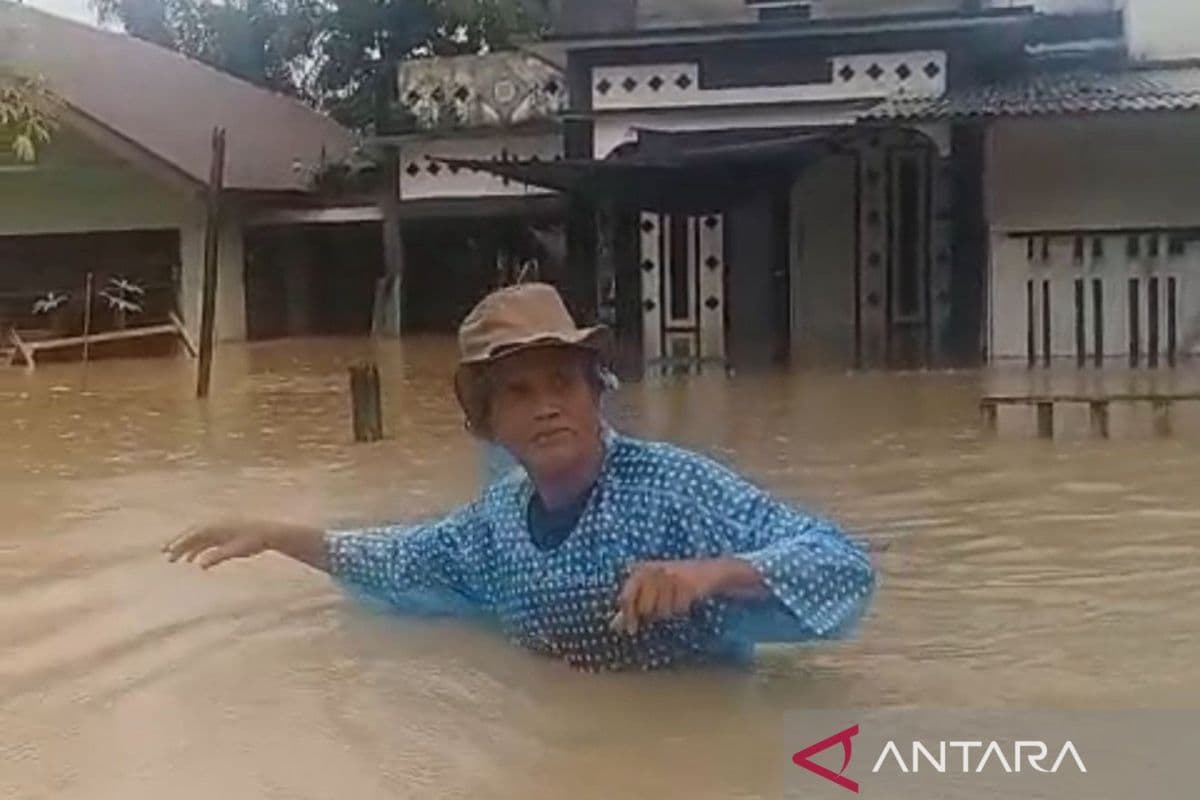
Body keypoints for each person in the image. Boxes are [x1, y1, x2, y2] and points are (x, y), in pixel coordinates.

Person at [164, 283, 876, 672]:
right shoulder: (494, 525)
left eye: (562, 382)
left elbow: (839, 561)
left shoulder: (675, 489)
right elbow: (395, 556)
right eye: (518, 392)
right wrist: (275, 534)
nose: (546, 407)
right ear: (486, 422)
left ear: (596, 392)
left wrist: (707, 575)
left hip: (701, 733)